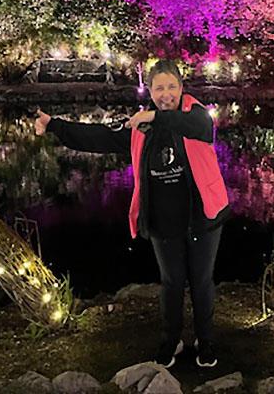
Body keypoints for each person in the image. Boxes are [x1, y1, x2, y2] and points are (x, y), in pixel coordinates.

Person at [34, 59, 231, 368]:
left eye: (172, 87)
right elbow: (100, 137)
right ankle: (171, 341)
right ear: (150, 91)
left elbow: (199, 127)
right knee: (172, 282)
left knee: (201, 281)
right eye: (159, 88)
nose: (166, 94)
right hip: (163, 220)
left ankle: (205, 342)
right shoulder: (141, 128)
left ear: (181, 88)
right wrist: (55, 125)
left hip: (202, 216)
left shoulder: (195, 115)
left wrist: (154, 116)